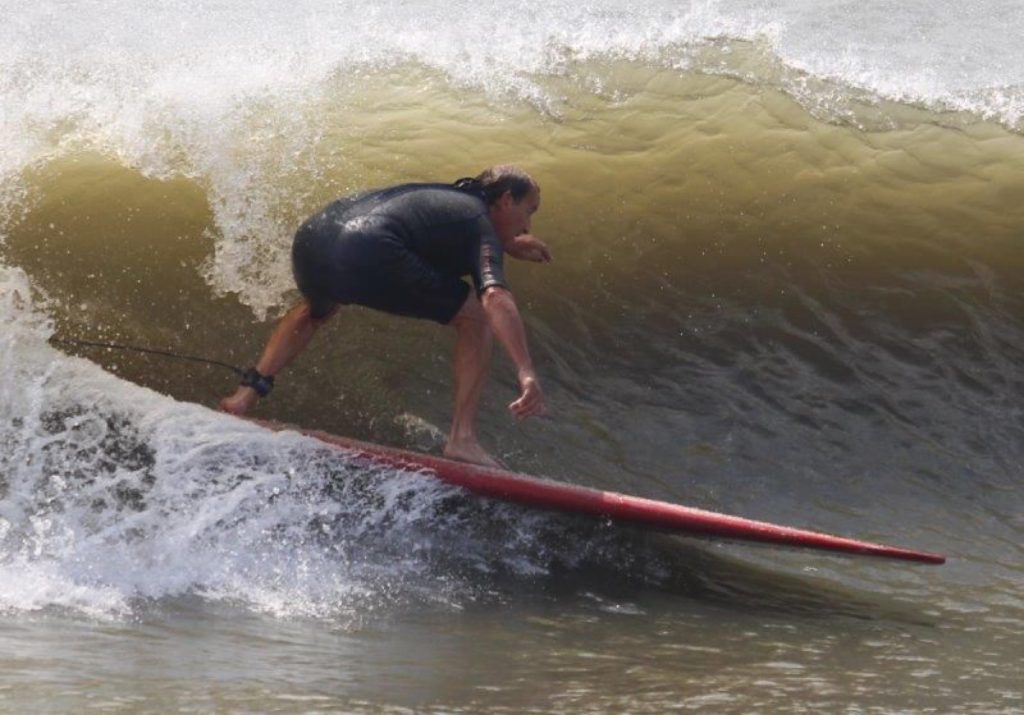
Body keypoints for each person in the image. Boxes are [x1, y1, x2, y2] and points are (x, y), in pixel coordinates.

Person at [219, 165, 551, 467]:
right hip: (369, 247)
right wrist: (525, 371)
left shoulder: (448, 199)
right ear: (506, 199)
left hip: (313, 242)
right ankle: (462, 438)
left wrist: (506, 241)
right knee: (476, 316)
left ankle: (243, 398)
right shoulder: (477, 222)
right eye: (528, 210)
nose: (528, 226)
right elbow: (495, 296)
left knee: (315, 311)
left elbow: (443, 234)